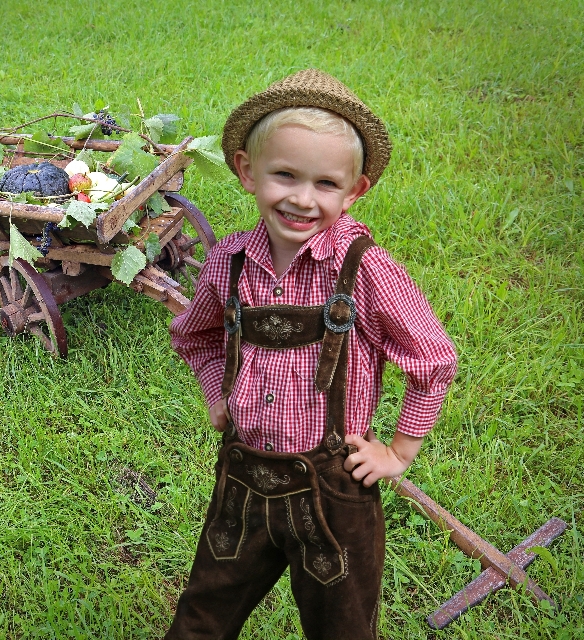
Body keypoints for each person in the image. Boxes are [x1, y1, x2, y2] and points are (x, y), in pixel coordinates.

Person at [164, 69, 458, 639]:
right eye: (284, 175)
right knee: (203, 616)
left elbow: (434, 360)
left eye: (325, 183)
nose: (302, 198)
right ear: (249, 173)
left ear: (355, 191)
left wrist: (398, 452)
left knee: (341, 627)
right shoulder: (229, 262)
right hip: (243, 480)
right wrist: (215, 393)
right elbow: (195, 335)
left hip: (334, 492)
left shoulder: (367, 271)